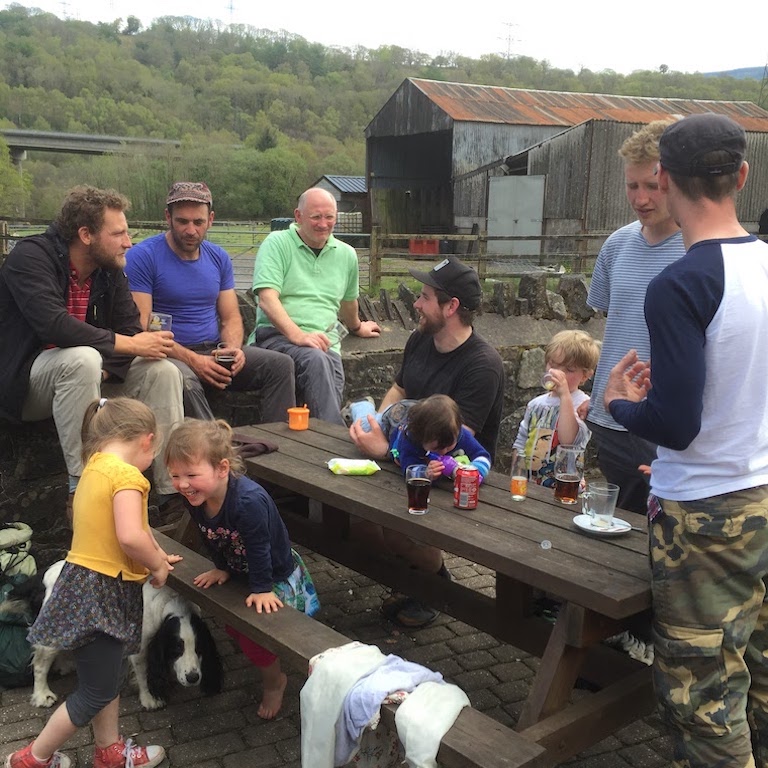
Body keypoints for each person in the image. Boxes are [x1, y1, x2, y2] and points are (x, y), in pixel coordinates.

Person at [604, 113, 768, 768]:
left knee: (702, 697)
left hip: (704, 514)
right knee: (758, 669)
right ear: (742, 177)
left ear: (665, 180)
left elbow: (675, 425)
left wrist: (618, 403)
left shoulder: (681, 283)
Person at [5, 397, 178, 768]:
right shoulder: (129, 476)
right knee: (93, 693)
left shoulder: (93, 468)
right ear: (146, 440)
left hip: (82, 586)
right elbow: (132, 537)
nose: (152, 463)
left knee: (106, 678)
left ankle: (109, 751)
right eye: (155, 453)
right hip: (104, 593)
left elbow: (135, 533)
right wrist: (157, 568)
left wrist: (158, 554)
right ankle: (32, 759)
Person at [0, 185, 184, 518]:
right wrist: (123, 348)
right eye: (119, 233)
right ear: (86, 234)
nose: (128, 242)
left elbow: (129, 328)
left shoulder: (109, 270)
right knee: (82, 358)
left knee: (162, 371)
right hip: (22, 387)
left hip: (84, 378)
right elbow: (53, 325)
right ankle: (84, 490)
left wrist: (109, 365)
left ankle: (173, 494)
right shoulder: (30, 257)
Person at [349, 256, 504, 627]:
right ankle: (415, 581)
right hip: (406, 458)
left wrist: (387, 451)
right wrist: (376, 425)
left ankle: (435, 587)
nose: (416, 304)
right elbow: (399, 389)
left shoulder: (482, 364)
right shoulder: (421, 338)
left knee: (395, 530)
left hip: (450, 476)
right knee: (358, 521)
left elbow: (453, 439)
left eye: (425, 297)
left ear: (451, 307)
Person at [165, 418, 320, 720]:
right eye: (175, 475)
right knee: (234, 623)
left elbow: (260, 548)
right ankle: (264, 659)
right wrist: (221, 568)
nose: (182, 484)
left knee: (254, 633)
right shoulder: (196, 496)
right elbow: (211, 536)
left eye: (191, 474)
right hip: (240, 570)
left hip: (272, 575)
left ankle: (275, 682)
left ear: (222, 469)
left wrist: (262, 589)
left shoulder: (247, 502)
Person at [125, 181, 296, 422]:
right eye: (182, 221)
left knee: (280, 366)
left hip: (213, 350)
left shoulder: (218, 257)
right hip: (168, 356)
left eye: (198, 222)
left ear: (211, 219)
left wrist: (233, 349)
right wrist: (194, 360)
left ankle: (278, 448)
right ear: (168, 217)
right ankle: (213, 452)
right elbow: (143, 326)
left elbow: (231, 317)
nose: (191, 230)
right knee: (185, 381)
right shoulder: (143, 257)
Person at [585, 120, 685, 514]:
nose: (641, 198)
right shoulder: (617, 244)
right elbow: (613, 325)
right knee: (608, 530)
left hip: (664, 425)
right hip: (608, 420)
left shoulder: (701, 253)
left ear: (675, 182)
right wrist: (593, 394)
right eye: (632, 186)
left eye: (652, 185)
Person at [250, 187, 381, 424]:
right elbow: (267, 300)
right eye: (316, 217)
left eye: (329, 217)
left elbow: (348, 301)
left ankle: (326, 438)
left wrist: (356, 327)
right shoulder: (277, 243)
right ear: (298, 217)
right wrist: (299, 335)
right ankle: (339, 441)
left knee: (327, 374)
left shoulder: (347, 255)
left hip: (325, 343)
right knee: (316, 361)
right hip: (277, 337)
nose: (323, 224)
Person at [513, 330, 600, 487]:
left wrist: (565, 395)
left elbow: (569, 441)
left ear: (585, 376)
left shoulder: (584, 404)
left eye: (569, 369)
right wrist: (516, 476)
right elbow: (521, 443)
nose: (558, 373)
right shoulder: (536, 405)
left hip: (565, 488)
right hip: (532, 484)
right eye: (553, 365)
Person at [388, 394, 492, 482]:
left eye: (449, 446)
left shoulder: (461, 435)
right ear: (420, 438)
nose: (443, 452)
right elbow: (408, 469)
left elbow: (483, 457)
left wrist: (473, 472)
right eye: (436, 448)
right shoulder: (411, 441)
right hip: (392, 422)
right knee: (379, 420)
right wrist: (426, 473)